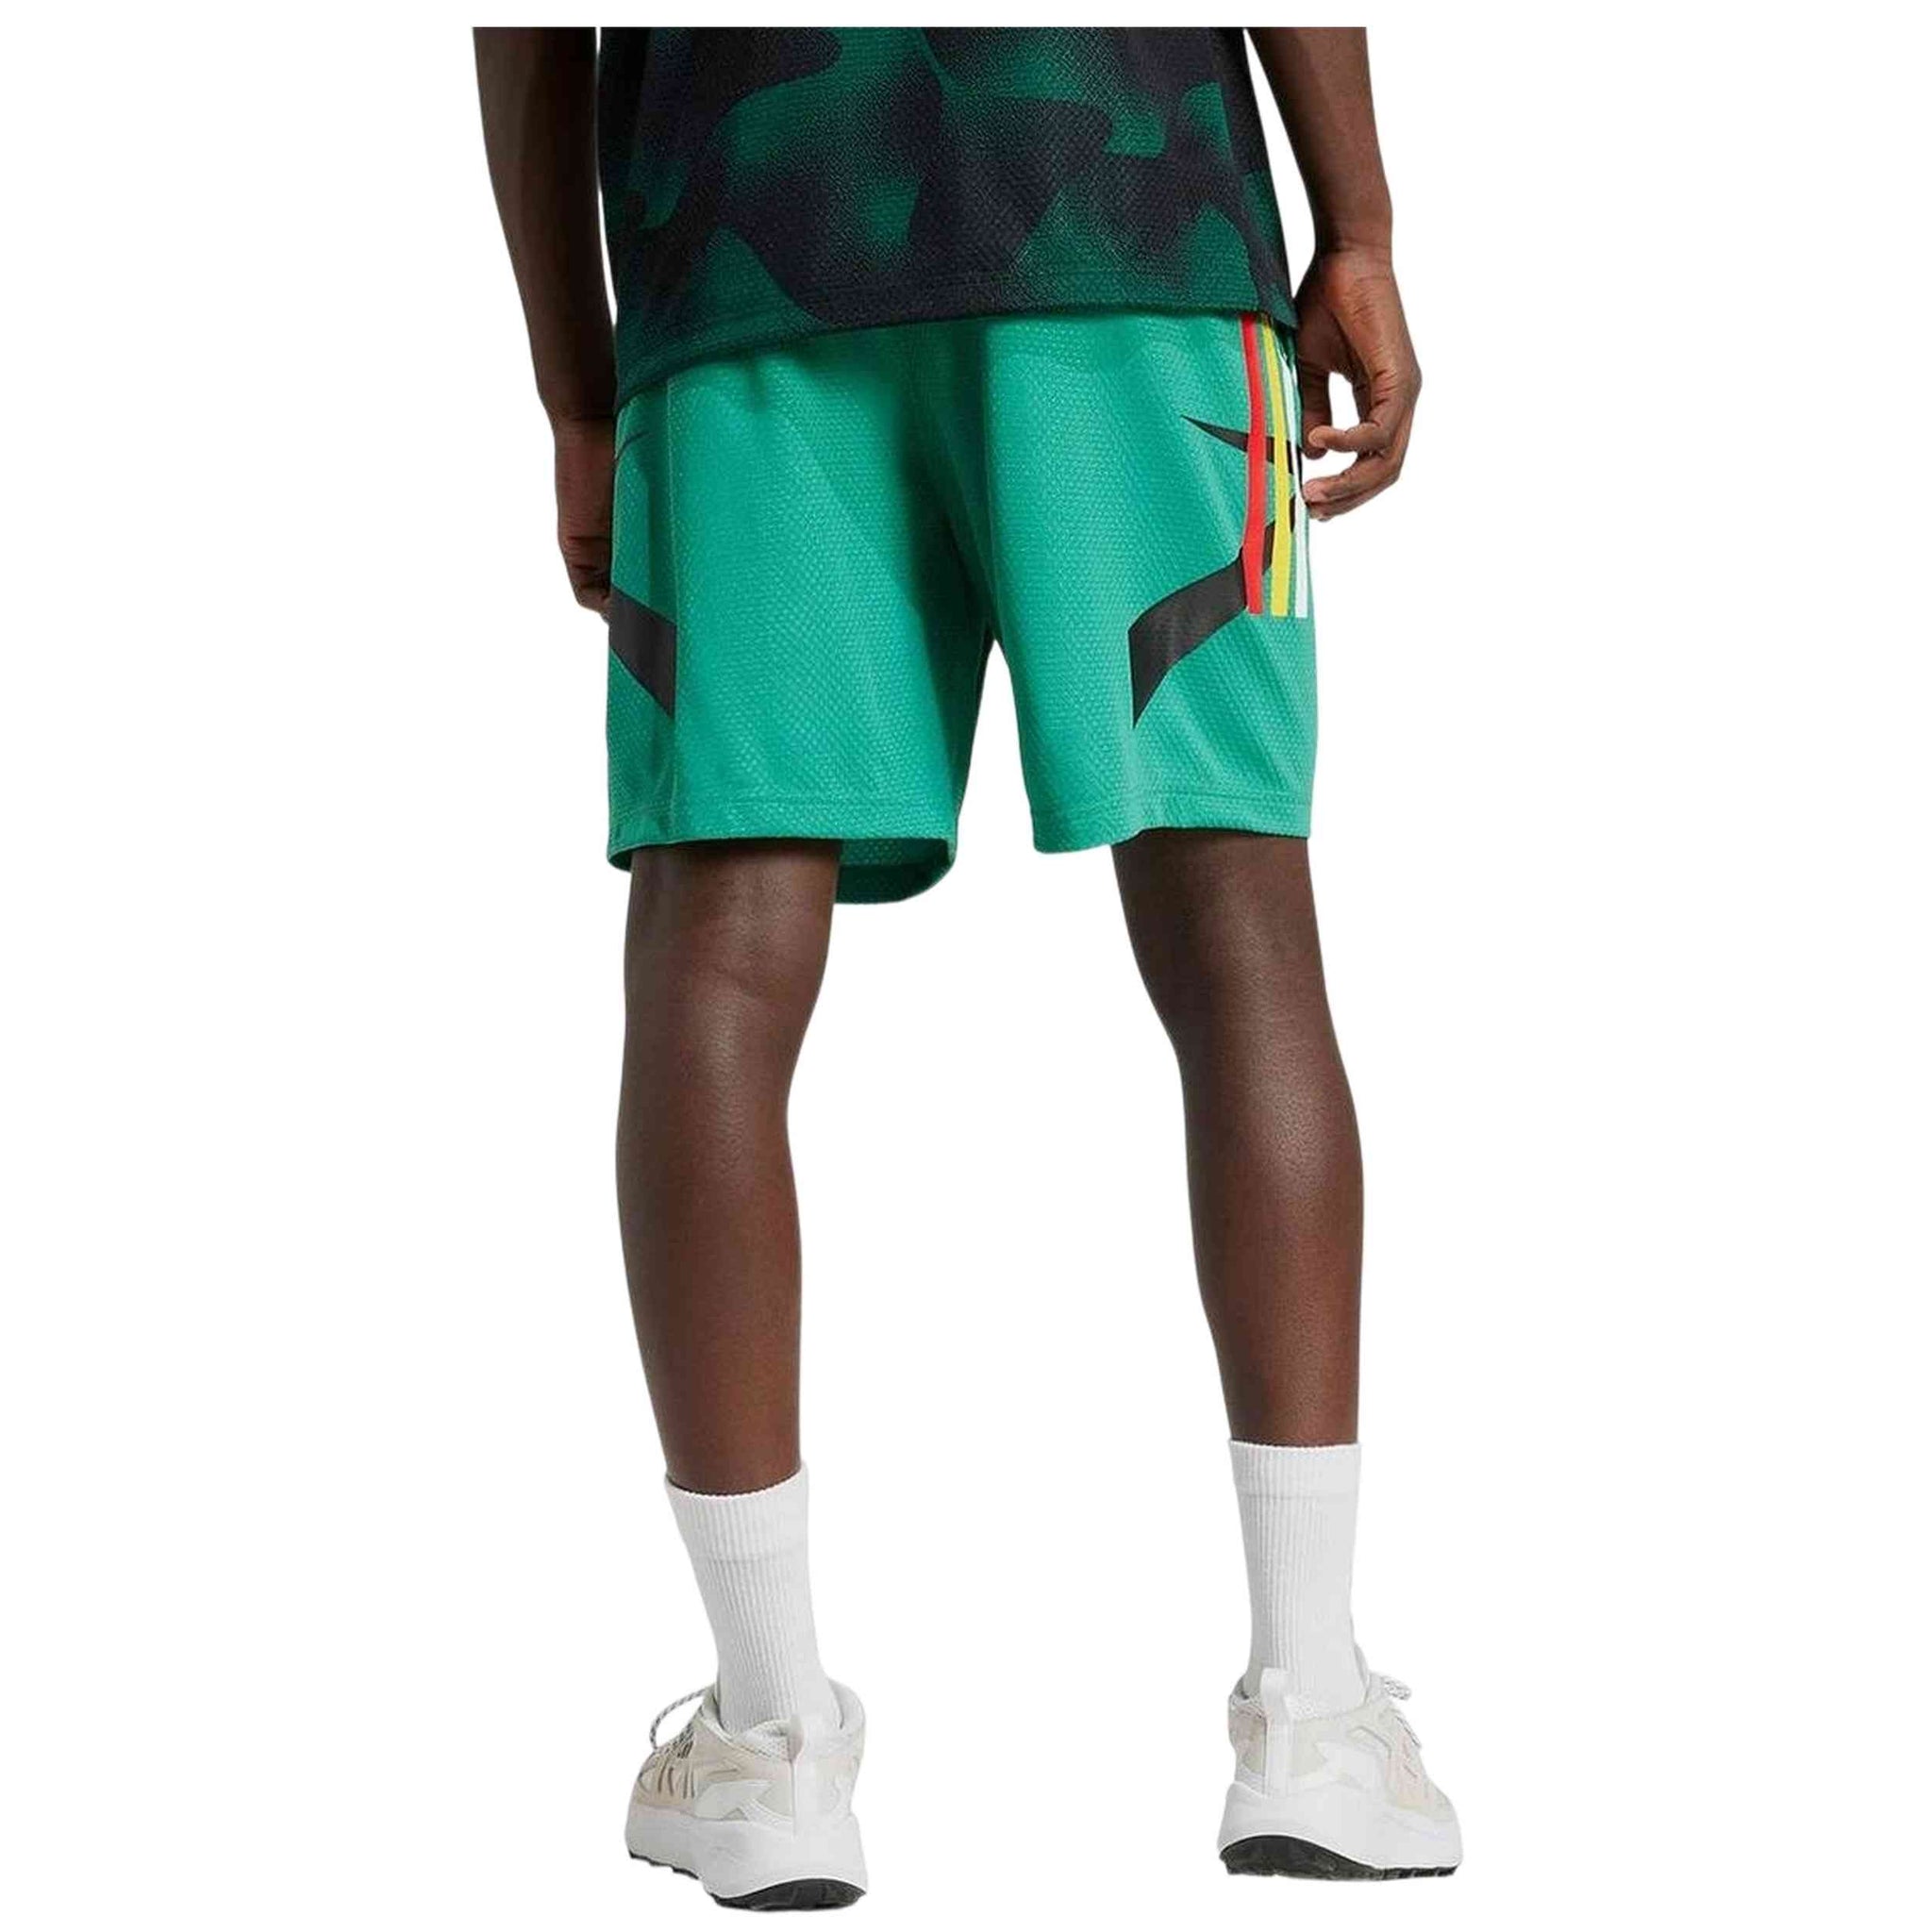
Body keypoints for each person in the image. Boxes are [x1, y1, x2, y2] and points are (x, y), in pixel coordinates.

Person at [475, 25, 1456, 1905]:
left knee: (719, 956)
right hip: (1138, 230)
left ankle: (768, 1745)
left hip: (744, 249)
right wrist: (1360, 227)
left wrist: (577, 391)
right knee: (1237, 929)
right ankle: (1315, 1716)